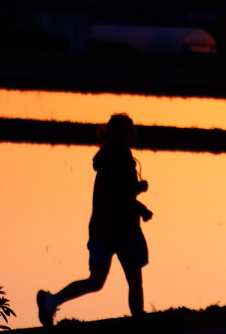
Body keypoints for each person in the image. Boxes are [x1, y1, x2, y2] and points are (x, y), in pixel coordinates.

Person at [37, 112, 153, 326]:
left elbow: (115, 194)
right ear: (126, 135)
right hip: (124, 230)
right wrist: (142, 205)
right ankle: (139, 322)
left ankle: (52, 300)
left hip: (101, 231)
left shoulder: (106, 159)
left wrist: (136, 192)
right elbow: (121, 197)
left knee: (96, 280)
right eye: (133, 129)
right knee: (134, 280)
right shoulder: (123, 161)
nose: (136, 133)